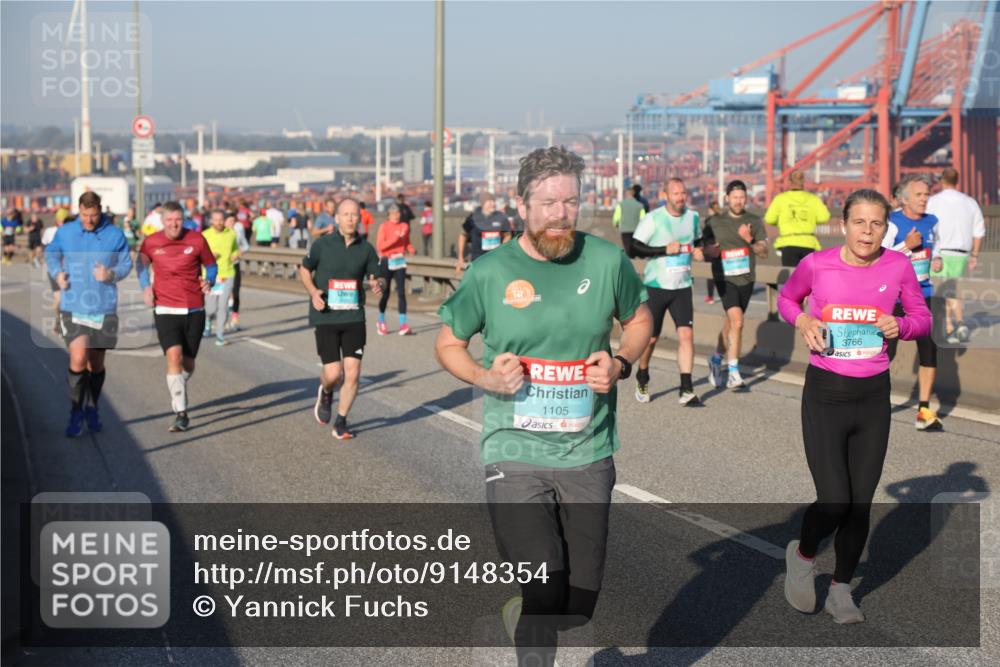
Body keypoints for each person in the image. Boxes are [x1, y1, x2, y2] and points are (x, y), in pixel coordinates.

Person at [435, 146, 651, 665]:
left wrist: (619, 362)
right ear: (522, 203)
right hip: (514, 453)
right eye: (549, 203)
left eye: (571, 202)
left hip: (588, 452)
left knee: (576, 607)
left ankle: (524, 617)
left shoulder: (605, 262)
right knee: (543, 586)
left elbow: (640, 320)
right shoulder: (490, 272)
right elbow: (447, 343)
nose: (561, 215)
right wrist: (486, 376)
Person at [778, 189, 931, 624]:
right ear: (844, 224)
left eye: (877, 224)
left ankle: (840, 589)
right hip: (825, 393)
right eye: (859, 222)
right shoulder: (817, 263)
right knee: (834, 501)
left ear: (887, 228)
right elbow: (787, 300)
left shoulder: (898, 265)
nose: (867, 232)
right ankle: (804, 556)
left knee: (860, 504)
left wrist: (899, 324)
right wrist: (804, 319)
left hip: (872, 397)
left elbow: (923, 319)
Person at [45, 191, 133, 436]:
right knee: (78, 358)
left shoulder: (114, 234)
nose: (89, 220)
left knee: (96, 364)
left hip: (103, 307)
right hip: (73, 305)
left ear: (100, 211)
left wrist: (111, 274)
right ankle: (75, 411)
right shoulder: (66, 232)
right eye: (85, 215)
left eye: (94, 216)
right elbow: (51, 253)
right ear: (79, 210)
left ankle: (92, 406)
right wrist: (56, 272)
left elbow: (126, 263)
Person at [298, 198, 383, 440]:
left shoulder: (366, 249)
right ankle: (326, 391)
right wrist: (314, 292)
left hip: (354, 317)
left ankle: (341, 422)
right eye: (345, 214)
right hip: (326, 316)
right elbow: (304, 269)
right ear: (336, 218)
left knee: (353, 372)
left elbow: (377, 276)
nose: (350, 219)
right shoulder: (322, 245)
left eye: (354, 215)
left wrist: (379, 284)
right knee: (334, 374)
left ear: (360, 218)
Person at [136, 201, 218, 433]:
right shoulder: (152, 242)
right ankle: (181, 412)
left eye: (178, 220)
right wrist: (145, 287)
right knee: (174, 356)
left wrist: (208, 280)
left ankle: (178, 385)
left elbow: (211, 266)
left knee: (188, 364)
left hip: (194, 308)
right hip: (165, 308)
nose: (174, 224)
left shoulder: (196, 239)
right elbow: (141, 266)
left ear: (184, 219)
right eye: (169, 220)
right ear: (162, 221)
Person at [630, 177, 705, 405]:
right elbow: (634, 247)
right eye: (675, 193)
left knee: (686, 335)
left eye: (683, 193)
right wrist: (664, 249)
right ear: (665, 196)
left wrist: (700, 251)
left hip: (682, 287)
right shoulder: (653, 219)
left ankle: (686, 388)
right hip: (656, 287)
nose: (680, 198)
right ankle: (642, 374)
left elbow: (698, 241)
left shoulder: (692, 217)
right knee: (651, 339)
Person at [885, 175, 943, 431]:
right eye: (919, 195)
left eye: (926, 195)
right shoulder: (893, 222)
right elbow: (881, 259)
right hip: (896, 297)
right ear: (905, 198)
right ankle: (876, 398)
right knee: (889, 350)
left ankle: (923, 410)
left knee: (930, 349)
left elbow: (936, 248)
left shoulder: (933, 222)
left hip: (924, 294)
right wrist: (906, 247)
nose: (924, 199)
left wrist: (937, 260)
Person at [703, 180, 768, 390]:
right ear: (727, 198)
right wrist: (709, 252)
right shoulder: (714, 222)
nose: (738, 201)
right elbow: (704, 249)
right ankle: (733, 372)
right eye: (735, 197)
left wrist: (749, 239)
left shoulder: (753, 221)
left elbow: (764, 252)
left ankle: (716, 358)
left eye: (742, 197)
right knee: (738, 321)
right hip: (724, 278)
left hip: (746, 279)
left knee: (731, 324)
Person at [926, 167, 986, 343]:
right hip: (963, 254)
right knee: (955, 292)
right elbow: (979, 231)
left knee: (942, 292)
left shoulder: (933, 201)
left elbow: (927, 227)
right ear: (957, 181)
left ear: (942, 181)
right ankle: (955, 327)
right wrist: (974, 255)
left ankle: (954, 326)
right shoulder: (970, 202)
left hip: (940, 253)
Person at [764, 169, 831, 267]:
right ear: (803, 182)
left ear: (789, 182)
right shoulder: (813, 199)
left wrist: (782, 222)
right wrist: (810, 220)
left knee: (791, 278)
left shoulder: (780, 199)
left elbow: (769, 219)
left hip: (788, 243)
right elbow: (824, 217)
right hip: (809, 243)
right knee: (807, 278)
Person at [375, 204, 416, 336]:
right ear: (389, 215)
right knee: (385, 292)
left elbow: (406, 242)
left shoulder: (404, 226)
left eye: (398, 213)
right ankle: (381, 320)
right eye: (393, 214)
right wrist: (395, 239)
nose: (396, 216)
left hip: (399, 261)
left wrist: (411, 249)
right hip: (387, 261)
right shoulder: (384, 226)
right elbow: (380, 246)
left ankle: (403, 324)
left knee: (401, 292)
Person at [201, 209, 240, 345]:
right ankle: (207, 320)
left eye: (221, 220)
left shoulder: (231, 234)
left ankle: (220, 335)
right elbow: (198, 255)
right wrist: (209, 255)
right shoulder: (204, 235)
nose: (219, 222)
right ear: (211, 221)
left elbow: (235, 248)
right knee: (211, 308)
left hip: (228, 274)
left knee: (223, 306)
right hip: (210, 276)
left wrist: (235, 254)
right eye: (216, 220)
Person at [456, 192, 513, 276]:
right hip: (477, 261)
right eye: (489, 201)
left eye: (493, 201)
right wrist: (460, 258)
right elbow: (463, 235)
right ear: (483, 203)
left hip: (496, 262)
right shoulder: (472, 218)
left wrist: (502, 252)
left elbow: (507, 235)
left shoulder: (501, 218)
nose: (492, 204)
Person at [225, 211, 249, 332]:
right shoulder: (219, 235)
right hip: (222, 267)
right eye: (229, 221)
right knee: (224, 294)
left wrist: (239, 253)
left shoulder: (237, 233)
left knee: (236, 292)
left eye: (233, 221)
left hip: (235, 265)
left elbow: (246, 246)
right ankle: (223, 318)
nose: (231, 223)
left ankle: (234, 319)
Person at [41, 214, 64, 335]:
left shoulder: (72, 232)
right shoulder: (50, 231)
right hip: (55, 270)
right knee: (59, 299)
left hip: (70, 270)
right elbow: (45, 245)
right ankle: (58, 322)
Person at [611, 185, 644, 259]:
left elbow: (617, 215)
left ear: (626, 194)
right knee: (634, 243)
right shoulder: (640, 205)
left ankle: (629, 257)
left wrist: (615, 223)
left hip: (625, 228)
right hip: (636, 228)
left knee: (627, 245)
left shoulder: (621, 204)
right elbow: (643, 218)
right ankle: (634, 255)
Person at [701, 201, 722, 303]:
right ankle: (723, 294)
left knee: (710, 273)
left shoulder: (709, 220)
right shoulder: (722, 219)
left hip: (710, 248)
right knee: (719, 272)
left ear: (710, 209)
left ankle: (710, 296)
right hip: (719, 249)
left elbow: (705, 235)